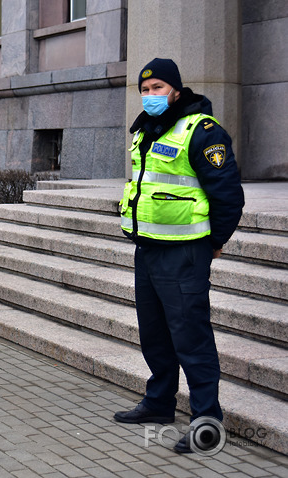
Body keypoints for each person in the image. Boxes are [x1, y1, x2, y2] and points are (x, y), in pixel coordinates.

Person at [114, 58, 244, 453]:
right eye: (145, 89)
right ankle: (159, 403)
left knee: (192, 340)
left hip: (185, 253)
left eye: (157, 88)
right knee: (155, 337)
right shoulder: (147, 131)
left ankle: (207, 424)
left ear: (175, 89)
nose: (150, 96)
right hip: (149, 249)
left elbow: (228, 196)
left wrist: (213, 241)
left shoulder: (201, 131)